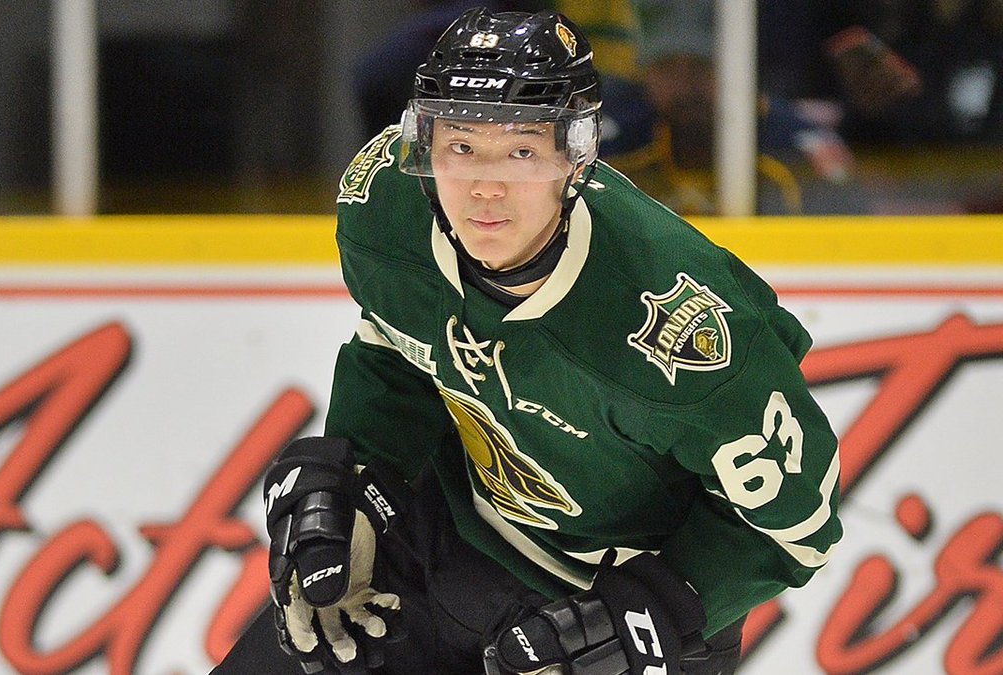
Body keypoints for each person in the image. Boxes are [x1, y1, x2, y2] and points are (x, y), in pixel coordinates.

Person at [212, 8, 842, 675]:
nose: (485, 187)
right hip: (437, 544)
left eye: (521, 151)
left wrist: (664, 601)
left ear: (575, 157)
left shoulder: (678, 328)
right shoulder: (387, 207)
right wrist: (365, 481)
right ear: (422, 145)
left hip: (608, 615)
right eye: (461, 147)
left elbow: (799, 525)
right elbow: (399, 347)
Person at [598, 0, 866, 215]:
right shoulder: (615, 147)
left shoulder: (800, 150)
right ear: (645, 74)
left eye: (700, 67)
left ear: (740, 68)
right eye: (666, 68)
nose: (684, 83)